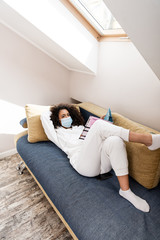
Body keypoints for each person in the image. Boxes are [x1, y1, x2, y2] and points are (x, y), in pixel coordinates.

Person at [40, 103, 160, 213]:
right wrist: (57, 110)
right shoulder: (56, 132)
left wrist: (103, 125)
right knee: (98, 126)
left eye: (68, 115)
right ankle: (147, 140)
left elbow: (94, 139)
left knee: (114, 140)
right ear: (57, 119)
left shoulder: (80, 127)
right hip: (84, 165)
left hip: (102, 163)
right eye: (63, 116)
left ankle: (125, 191)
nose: (67, 117)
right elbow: (43, 116)